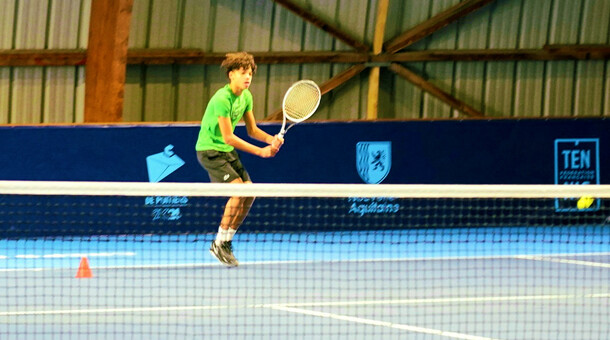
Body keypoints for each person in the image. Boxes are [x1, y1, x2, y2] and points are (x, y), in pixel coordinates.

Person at [196, 52, 283, 267]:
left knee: (250, 193)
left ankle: (225, 242)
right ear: (231, 74)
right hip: (210, 150)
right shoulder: (221, 99)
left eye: (250, 73)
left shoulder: (246, 97)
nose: (248, 77)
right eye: (243, 73)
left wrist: (271, 140)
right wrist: (261, 152)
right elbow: (228, 136)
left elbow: (252, 130)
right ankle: (218, 242)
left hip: (226, 151)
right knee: (237, 192)